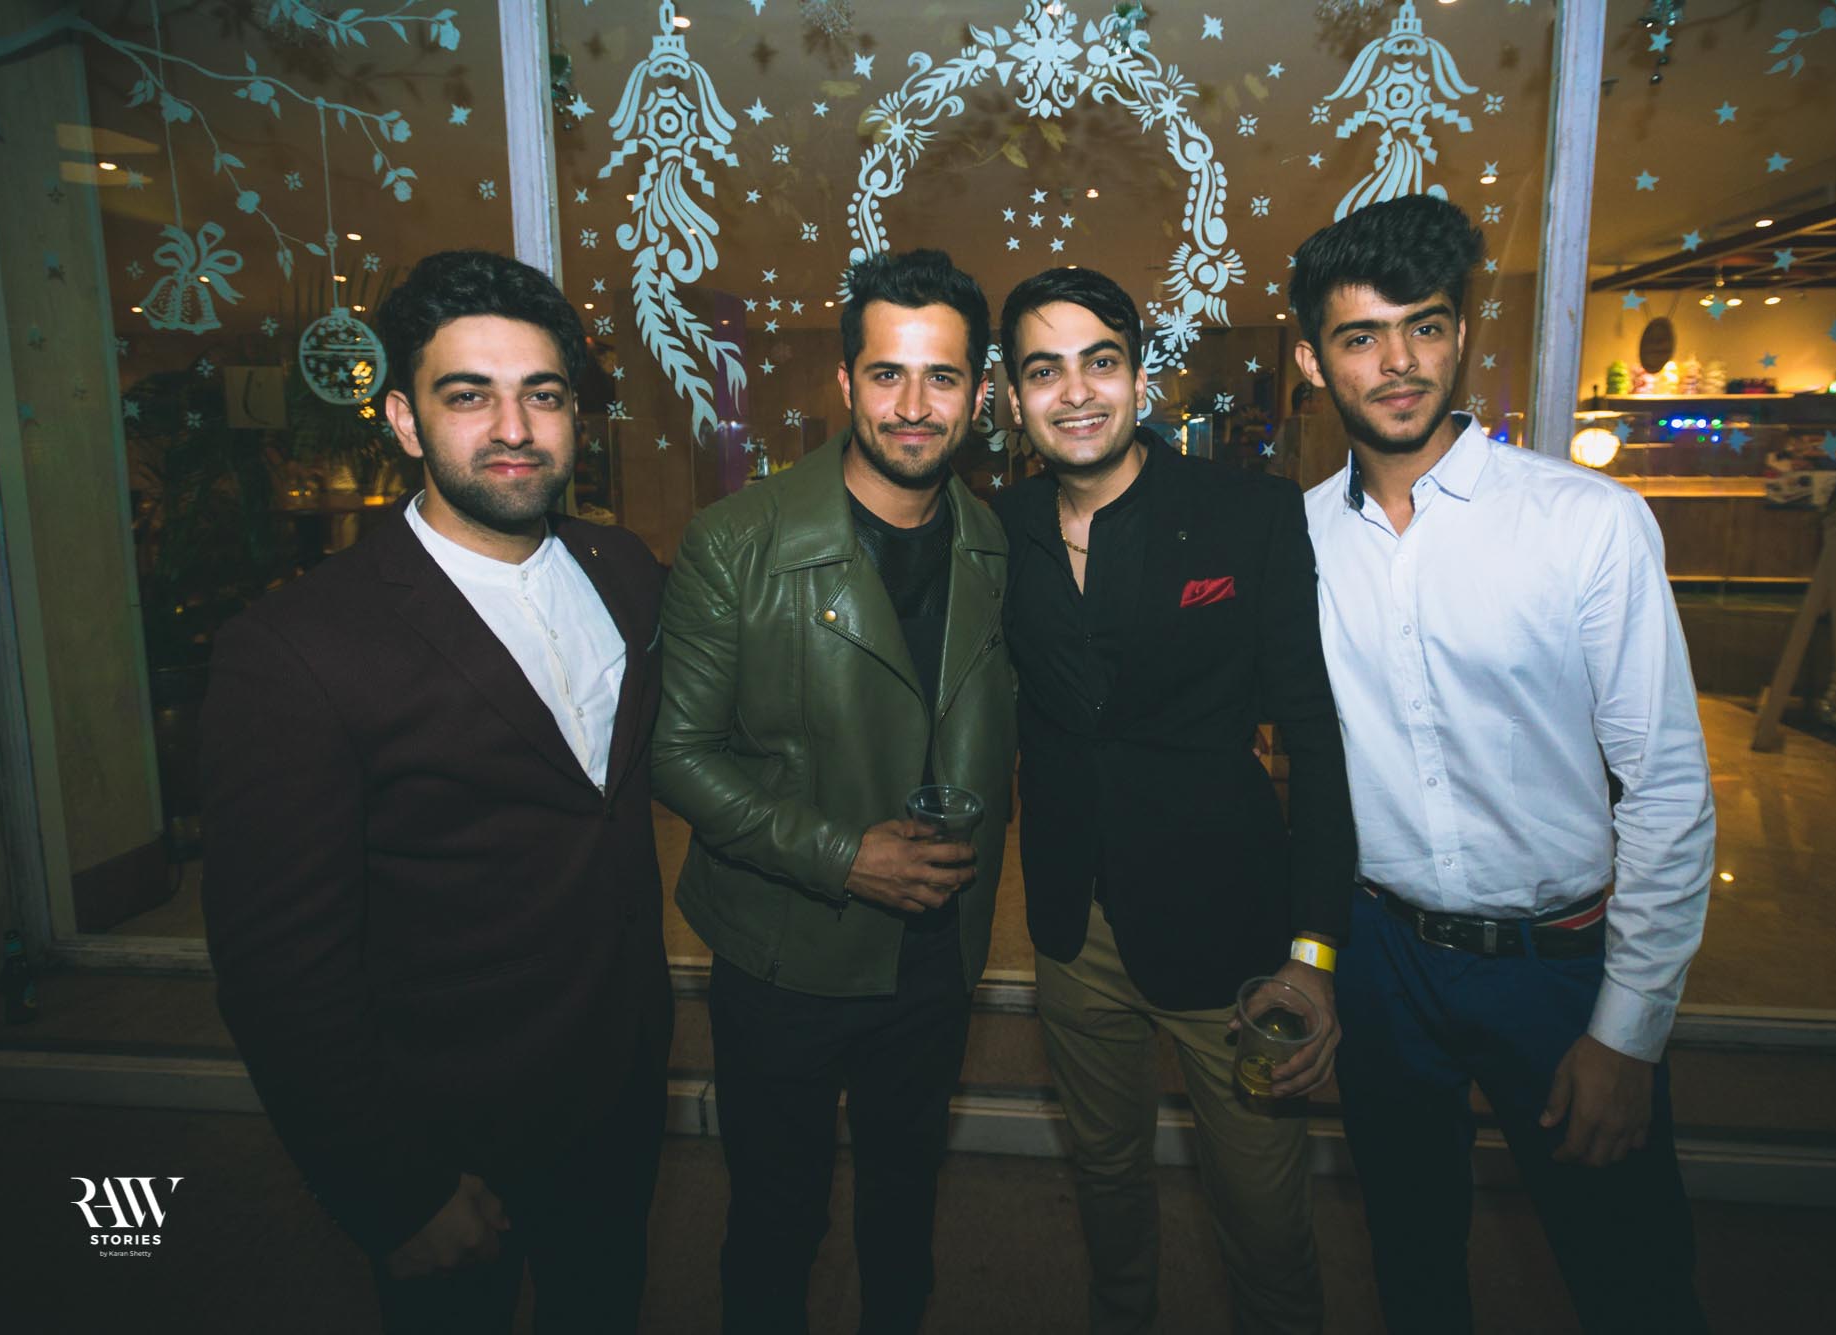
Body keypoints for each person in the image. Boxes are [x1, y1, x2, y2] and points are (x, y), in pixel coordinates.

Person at [200, 249, 673, 1333]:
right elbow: (278, 966)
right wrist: (388, 1189)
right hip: (446, 1127)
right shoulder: (297, 647)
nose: (513, 427)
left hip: (617, 1083)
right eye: (469, 396)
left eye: (541, 394)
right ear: (406, 421)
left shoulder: (623, 568)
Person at [1290, 195, 1714, 1333]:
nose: (1397, 363)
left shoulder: (1585, 521)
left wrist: (1628, 1030)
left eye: (1423, 326)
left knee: (1630, 1281)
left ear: (1461, 334)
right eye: (1359, 336)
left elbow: (1667, 789)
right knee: (1413, 1268)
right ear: (1313, 360)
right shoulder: (1299, 542)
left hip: (1557, 968)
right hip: (1381, 961)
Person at [649, 248, 1014, 1334]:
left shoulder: (996, 546)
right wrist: (843, 855)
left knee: (904, 1213)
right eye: (888, 374)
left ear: (979, 394)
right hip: (784, 954)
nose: (914, 406)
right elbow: (677, 753)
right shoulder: (736, 541)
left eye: (942, 377)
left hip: (936, 954)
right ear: (846, 381)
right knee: (777, 1220)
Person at [992, 266, 1357, 1335]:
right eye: (1043, 370)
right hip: (1071, 928)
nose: (1075, 392)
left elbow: (1317, 743)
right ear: (1011, 397)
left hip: (1230, 937)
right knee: (1106, 1182)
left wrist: (1313, 950)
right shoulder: (996, 528)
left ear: (1139, 378)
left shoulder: (1247, 515)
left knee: (1264, 1219)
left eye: (1099, 362)